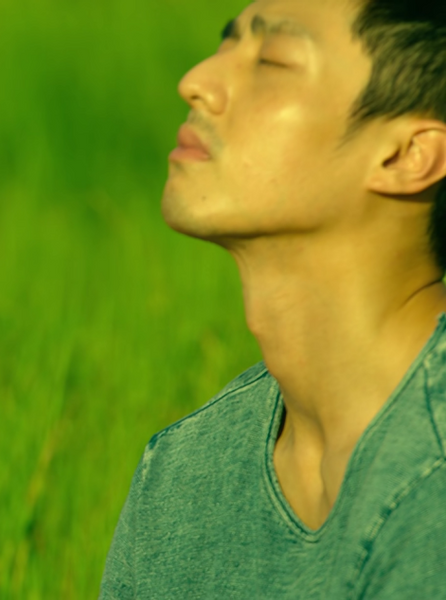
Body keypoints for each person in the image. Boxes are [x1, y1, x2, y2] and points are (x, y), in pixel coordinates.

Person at [101, 0, 446, 597]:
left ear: (407, 155)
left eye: (274, 61)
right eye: (227, 42)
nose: (197, 81)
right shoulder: (185, 472)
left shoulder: (431, 485)